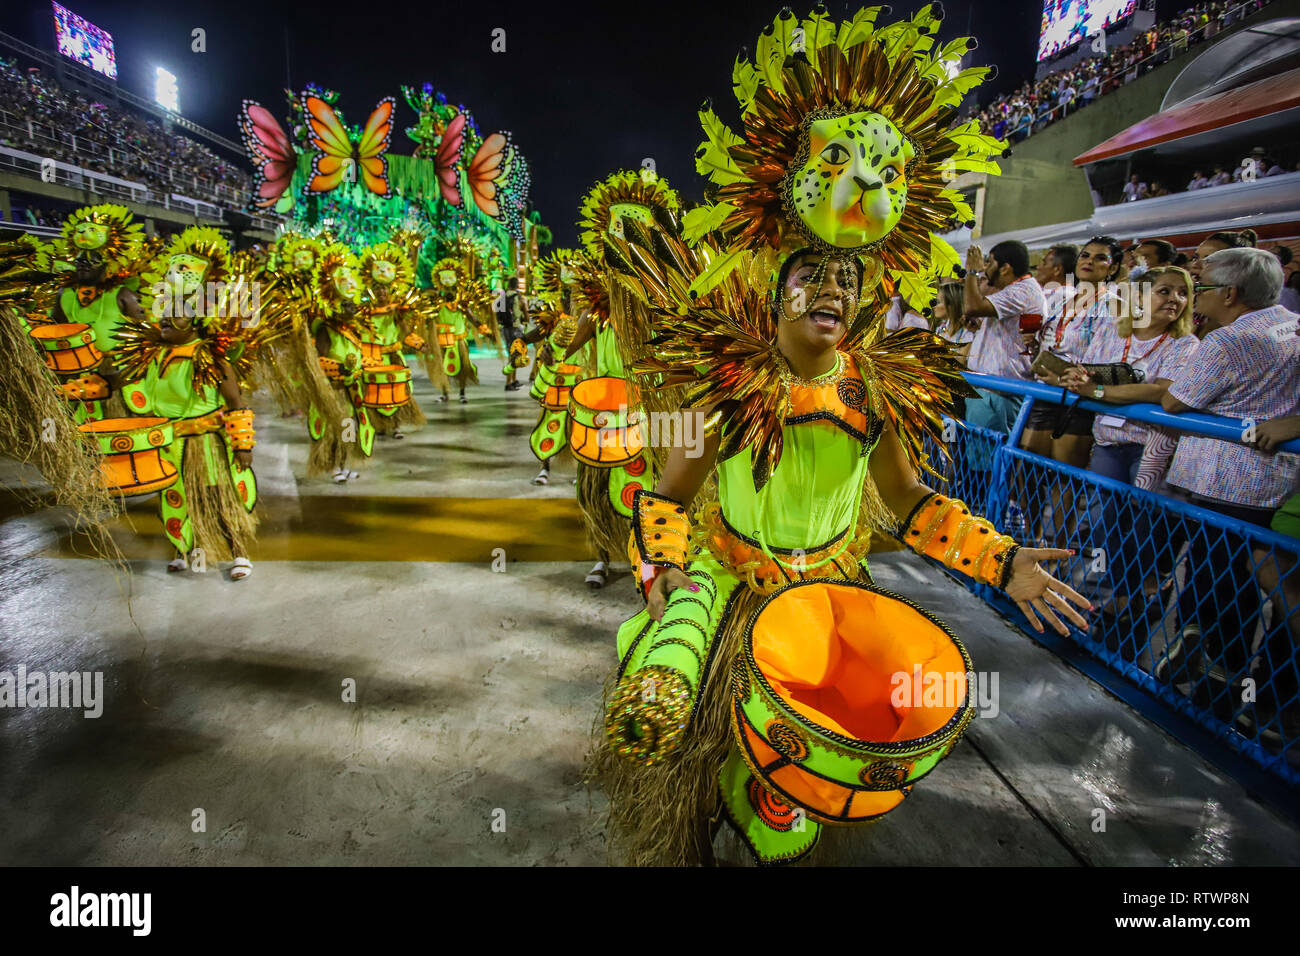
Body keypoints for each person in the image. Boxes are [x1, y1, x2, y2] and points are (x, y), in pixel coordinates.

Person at [591, 6, 1089, 868]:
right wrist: (668, 571)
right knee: (679, 742)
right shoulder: (728, 380)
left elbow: (910, 502)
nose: (831, 291)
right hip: (729, 581)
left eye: (846, 280)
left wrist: (1001, 560)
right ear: (774, 285)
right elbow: (665, 496)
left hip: (826, 603)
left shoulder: (882, 384)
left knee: (799, 790)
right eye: (812, 276)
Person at [1160, 248, 1300, 727]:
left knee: (1216, 590)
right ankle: (1231, 692)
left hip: (1224, 484)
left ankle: (1210, 694)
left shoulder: (1227, 342)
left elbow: (1175, 401)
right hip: (1274, 484)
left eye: (1201, 288)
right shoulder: (1292, 325)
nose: (1195, 296)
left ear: (1230, 293)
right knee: (1241, 592)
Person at [1060, 266, 1201, 656]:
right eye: (1165, 291)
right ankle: (1109, 600)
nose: (1175, 299)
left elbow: (1163, 393)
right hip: (1109, 441)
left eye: (1182, 293)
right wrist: (1075, 379)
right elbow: (1085, 371)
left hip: (1151, 449)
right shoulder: (1111, 332)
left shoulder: (1186, 345)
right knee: (1104, 525)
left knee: (1143, 531)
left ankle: (1136, 603)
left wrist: (1100, 390)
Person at [963, 239, 1046, 436]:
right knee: (977, 460)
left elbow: (972, 306)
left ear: (1005, 268)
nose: (984, 268)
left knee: (988, 463)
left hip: (999, 394)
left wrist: (972, 272)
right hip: (989, 391)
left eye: (989, 263)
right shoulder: (1016, 290)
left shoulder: (1023, 290)